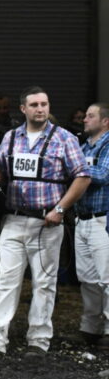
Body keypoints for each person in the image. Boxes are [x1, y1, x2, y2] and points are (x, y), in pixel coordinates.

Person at [0, 88, 89, 359]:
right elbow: (2, 175)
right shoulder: (11, 138)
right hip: (13, 218)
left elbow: (82, 177)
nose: (40, 109)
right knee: (6, 280)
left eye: (44, 104)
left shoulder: (64, 138)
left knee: (44, 282)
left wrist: (60, 208)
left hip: (47, 221)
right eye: (34, 104)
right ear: (23, 109)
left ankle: (38, 341)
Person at [73, 103, 109, 350]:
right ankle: (90, 328)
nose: (85, 119)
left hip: (102, 220)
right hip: (82, 219)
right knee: (87, 278)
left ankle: (108, 330)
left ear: (105, 121)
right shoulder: (84, 147)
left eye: (90, 116)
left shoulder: (108, 145)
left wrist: (75, 170)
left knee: (107, 279)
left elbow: (104, 174)